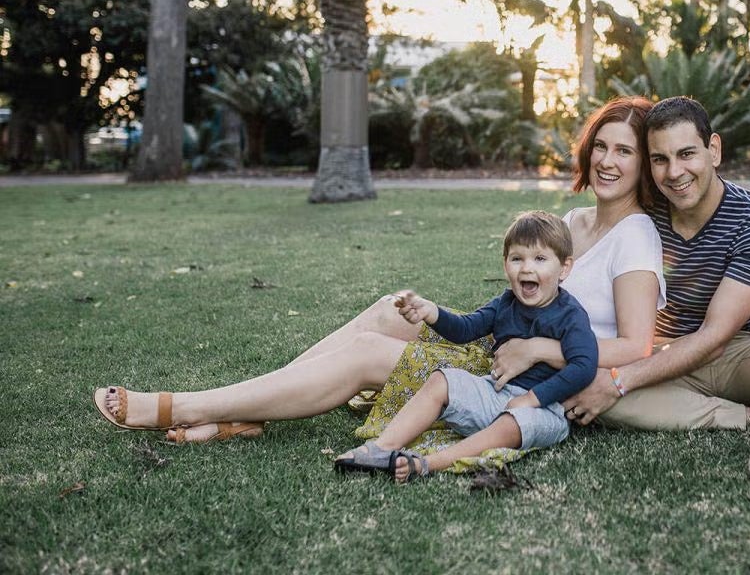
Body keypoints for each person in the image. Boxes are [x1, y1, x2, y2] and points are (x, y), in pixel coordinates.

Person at [91, 97, 668, 458]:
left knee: (369, 352)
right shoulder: (572, 221)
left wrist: (539, 346)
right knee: (389, 310)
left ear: (644, 165)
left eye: (626, 151)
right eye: (601, 145)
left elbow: (635, 346)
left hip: (529, 383)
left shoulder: (636, 234)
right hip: (499, 350)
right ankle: (245, 411)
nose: (607, 160)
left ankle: (189, 407)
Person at [562, 96, 750, 487]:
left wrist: (620, 381)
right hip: (665, 358)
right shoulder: (644, 216)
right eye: (660, 159)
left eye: (687, 154)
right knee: (585, 389)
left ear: (713, 149)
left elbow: (716, 338)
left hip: (744, 353)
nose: (674, 172)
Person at [334, 211, 597, 481]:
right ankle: (381, 449)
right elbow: (465, 329)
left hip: (547, 409)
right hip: (497, 391)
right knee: (441, 379)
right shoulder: (505, 304)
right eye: (517, 258)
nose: (527, 268)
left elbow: (584, 366)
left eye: (540, 259)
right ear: (505, 264)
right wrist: (431, 311)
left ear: (564, 268)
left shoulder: (571, 315)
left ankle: (427, 463)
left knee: (513, 423)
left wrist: (532, 399)